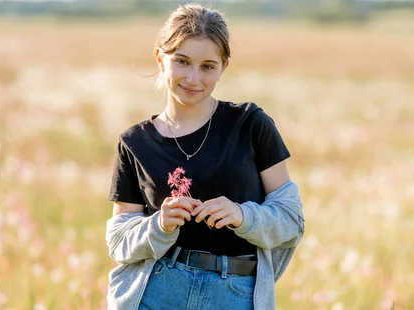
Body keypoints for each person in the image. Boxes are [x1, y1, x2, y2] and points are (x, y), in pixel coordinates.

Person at [105, 4, 305, 310]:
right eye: (182, 62)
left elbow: (291, 220)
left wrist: (243, 216)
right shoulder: (135, 143)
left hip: (235, 294)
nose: (193, 78)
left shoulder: (250, 124)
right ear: (161, 59)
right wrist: (159, 225)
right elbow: (119, 242)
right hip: (156, 291)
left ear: (224, 67)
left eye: (208, 66)